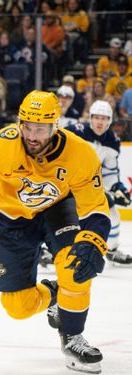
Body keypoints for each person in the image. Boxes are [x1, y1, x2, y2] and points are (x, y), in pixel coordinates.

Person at [0, 91, 111, 374]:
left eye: (41, 129)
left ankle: (72, 335)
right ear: (20, 123)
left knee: (73, 267)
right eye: (28, 127)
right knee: (18, 307)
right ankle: (54, 295)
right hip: (12, 219)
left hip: (57, 211)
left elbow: (96, 208)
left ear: (55, 126)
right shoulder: (1, 145)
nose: (33, 136)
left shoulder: (80, 153)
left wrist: (93, 241)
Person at [65, 101, 132, 265]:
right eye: (96, 118)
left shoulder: (112, 141)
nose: (99, 122)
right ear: (90, 118)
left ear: (109, 121)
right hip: (65, 182)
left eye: (104, 118)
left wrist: (117, 188)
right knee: (59, 214)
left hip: (88, 186)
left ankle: (111, 250)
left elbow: (109, 172)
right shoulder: (75, 131)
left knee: (111, 211)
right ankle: (47, 248)